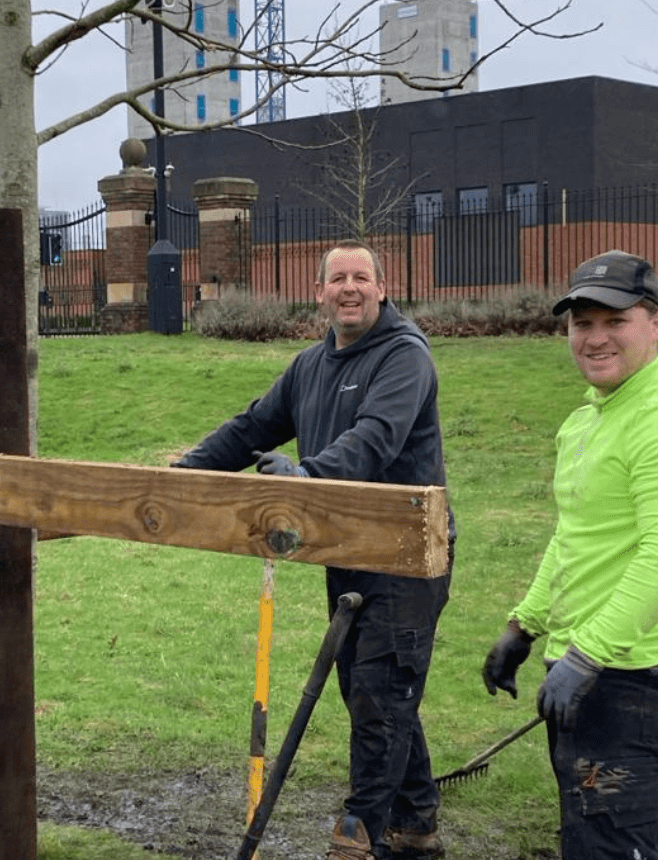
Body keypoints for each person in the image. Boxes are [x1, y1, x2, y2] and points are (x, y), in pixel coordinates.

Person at [175, 240, 453, 860]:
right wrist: (183, 475)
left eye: (361, 277)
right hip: (347, 550)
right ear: (320, 292)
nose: (350, 288)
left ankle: (359, 836)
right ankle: (416, 821)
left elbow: (373, 441)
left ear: (382, 288)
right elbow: (252, 428)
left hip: (408, 552)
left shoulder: (404, 357)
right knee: (370, 688)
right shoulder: (310, 365)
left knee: (380, 693)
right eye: (338, 279)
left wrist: (304, 477)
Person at [481, 250, 658, 859]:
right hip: (583, 669)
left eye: (615, 321)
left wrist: (586, 655)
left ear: (657, 324)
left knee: (617, 846)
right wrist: (524, 625)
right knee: (588, 836)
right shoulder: (588, 420)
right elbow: (574, 536)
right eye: (581, 323)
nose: (595, 338)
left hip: (636, 680)